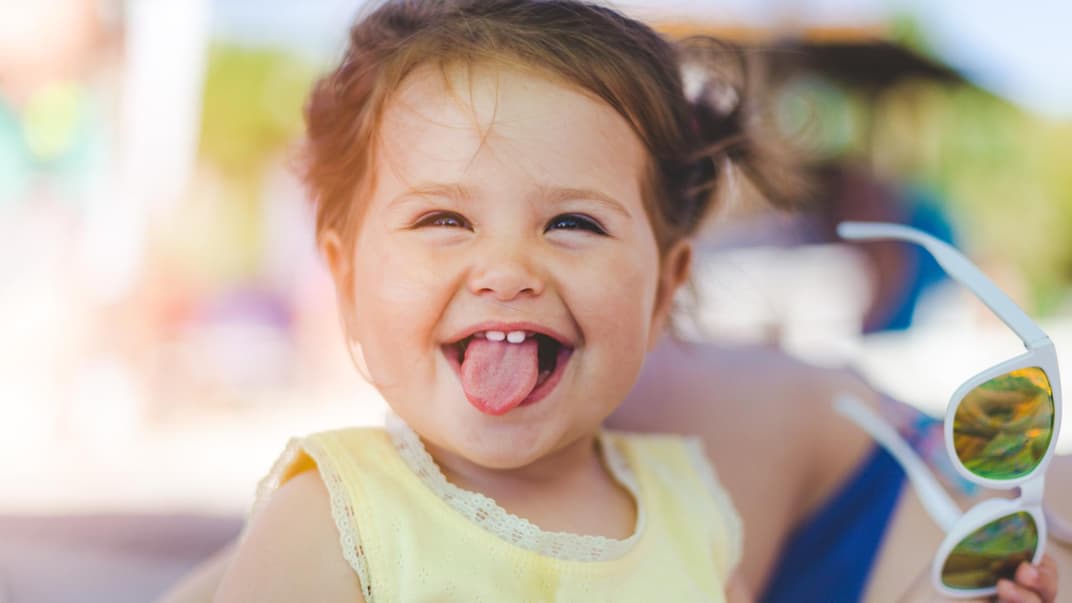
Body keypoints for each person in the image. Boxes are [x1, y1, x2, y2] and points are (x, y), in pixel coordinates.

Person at [164, 1, 1063, 601]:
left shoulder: (694, 506)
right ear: (347, 279)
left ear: (667, 283)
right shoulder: (337, 513)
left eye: (572, 224)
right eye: (444, 217)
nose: (507, 266)